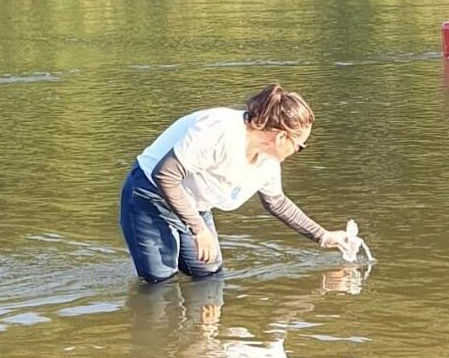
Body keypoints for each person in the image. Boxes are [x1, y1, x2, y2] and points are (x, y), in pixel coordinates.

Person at [119, 83, 348, 283]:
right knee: (160, 282)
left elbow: (276, 203)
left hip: (195, 204)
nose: (299, 151)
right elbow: (166, 175)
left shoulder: (267, 160)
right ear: (281, 137)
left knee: (209, 274)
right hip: (150, 195)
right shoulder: (220, 131)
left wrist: (322, 235)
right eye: (300, 146)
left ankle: (205, 331)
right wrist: (199, 230)